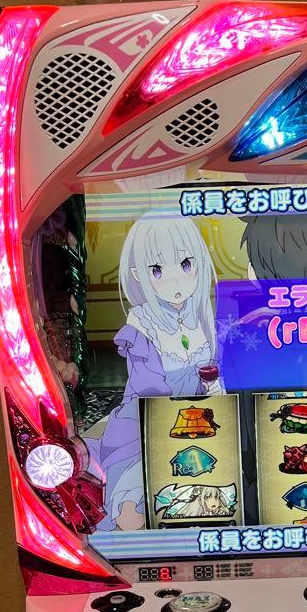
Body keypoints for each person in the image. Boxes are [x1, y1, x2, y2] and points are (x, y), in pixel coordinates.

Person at [88, 213, 220, 530]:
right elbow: (149, 388)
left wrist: (215, 391)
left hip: (200, 417)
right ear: (138, 274)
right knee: (133, 507)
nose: (175, 281)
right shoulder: (141, 324)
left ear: (199, 263)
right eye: (157, 270)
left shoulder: (202, 313)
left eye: (185, 265)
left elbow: (214, 369)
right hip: (145, 421)